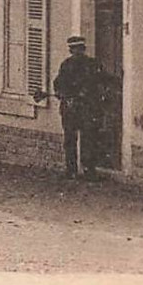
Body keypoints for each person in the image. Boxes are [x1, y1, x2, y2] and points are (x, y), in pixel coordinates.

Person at [49, 35, 107, 180]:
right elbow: (58, 84)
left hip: (87, 107)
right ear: (71, 50)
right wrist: (62, 94)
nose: (77, 52)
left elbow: (100, 82)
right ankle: (71, 169)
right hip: (70, 107)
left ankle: (89, 169)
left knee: (89, 138)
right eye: (74, 50)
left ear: (83, 50)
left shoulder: (92, 65)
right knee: (70, 139)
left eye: (79, 49)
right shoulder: (66, 65)